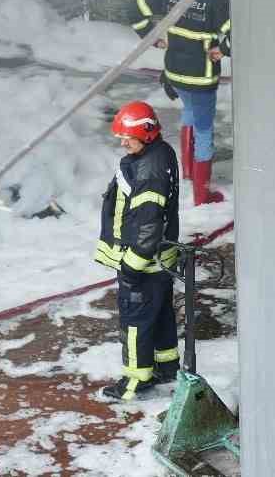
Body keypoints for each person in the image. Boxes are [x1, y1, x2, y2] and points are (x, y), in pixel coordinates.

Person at [128, 0, 230, 206]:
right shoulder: (216, 0)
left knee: (188, 114)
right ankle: (202, 194)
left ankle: (188, 177)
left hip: (174, 72)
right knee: (205, 131)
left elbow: (135, 10)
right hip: (201, 78)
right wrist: (223, 50)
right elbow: (236, 32)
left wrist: (151, 36)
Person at [92, 101, 181, 402]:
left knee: (135, 322)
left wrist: (131, 266)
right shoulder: (159, 153)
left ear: (146, 133)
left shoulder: (148, 170)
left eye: (127, 136)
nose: (122, 142)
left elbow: (148, 225)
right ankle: (166, 366)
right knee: (160, 314)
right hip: (160, 261)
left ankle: (135, 381)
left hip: (143, 263)